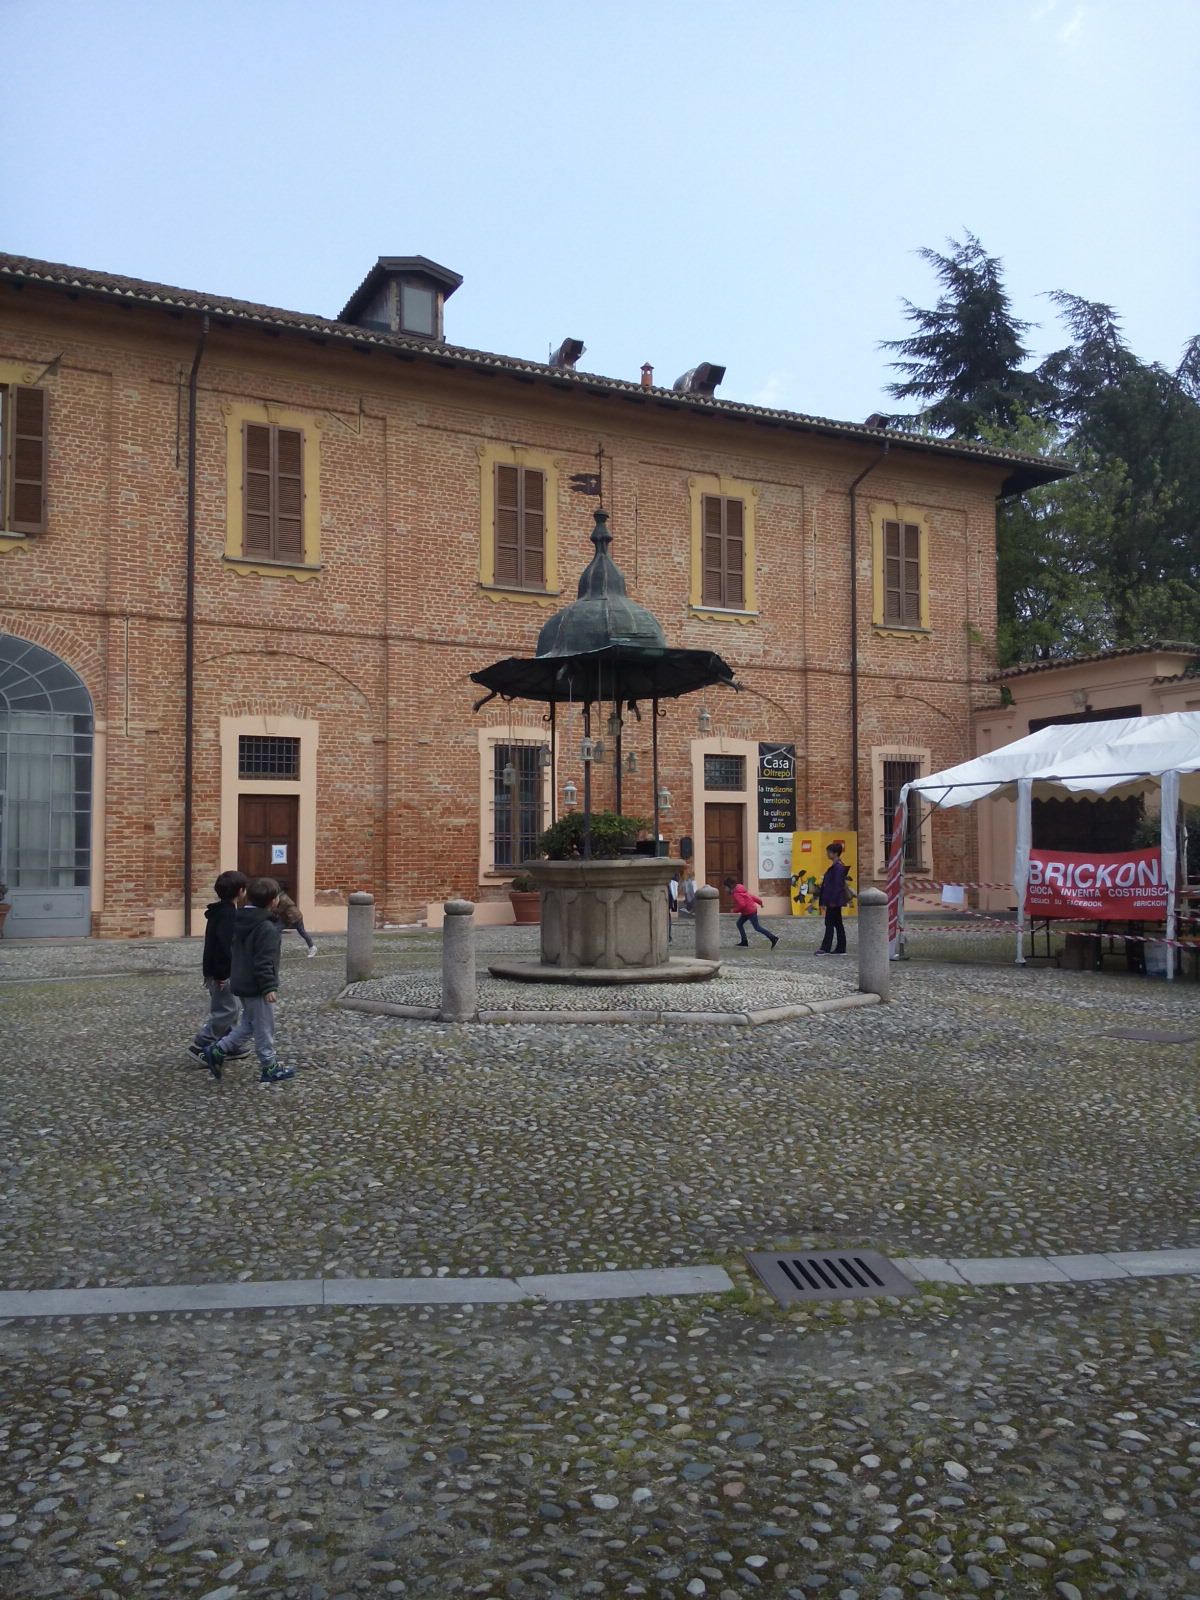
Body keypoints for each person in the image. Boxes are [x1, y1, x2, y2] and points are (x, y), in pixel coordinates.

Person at [203, 876, 295, 1084]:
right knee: (264, 1026)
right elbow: (263, 961)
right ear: (273, 901)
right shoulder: (266, 928)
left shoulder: (240, 919)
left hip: (241, 981)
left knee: (248, 1024)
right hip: (257, 986)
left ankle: (218, 1050)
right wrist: (268, 986)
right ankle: (269, 1066)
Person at [186, 870, 253, 1065]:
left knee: (230, 1007)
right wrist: (223, 974)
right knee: (227, 1011)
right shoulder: (228, 915)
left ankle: (227, 1045)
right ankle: (200, 1045)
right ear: (241, 891)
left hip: (215, 970)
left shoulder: (219, 912)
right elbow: (224, 946)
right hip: (222, 972)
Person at [816, 840, 853, 954]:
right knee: (837, 923)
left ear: (835, 853)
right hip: (834, 900)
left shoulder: (838, 867)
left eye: (829, 852)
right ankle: (841, 948)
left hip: (834, 901)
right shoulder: (836, 866)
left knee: (830, 923)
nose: (827, 854)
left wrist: (832, 901)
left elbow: (837, 886)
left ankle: (825, 948)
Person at [724, 877, 779, 949]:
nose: (725, 889)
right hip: (748, 911)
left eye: (725, 887)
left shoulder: (736, 894)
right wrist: (760, 903)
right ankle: (744, 941)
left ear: (729, 886)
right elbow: (752, 897)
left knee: (757, 927)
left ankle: (773, 938)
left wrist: (734, 910)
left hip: (750, 911)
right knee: (739, 924)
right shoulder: (741, 890)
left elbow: (742, 905)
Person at [275, 888, 317, 957]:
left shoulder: (283, 899)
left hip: (294, 917)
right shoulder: (281, 897)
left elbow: (279, 911)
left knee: (302, 932)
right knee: (277, 929)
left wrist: (271, 908)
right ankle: (277, 951)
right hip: (290, 917)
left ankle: (312, 947)